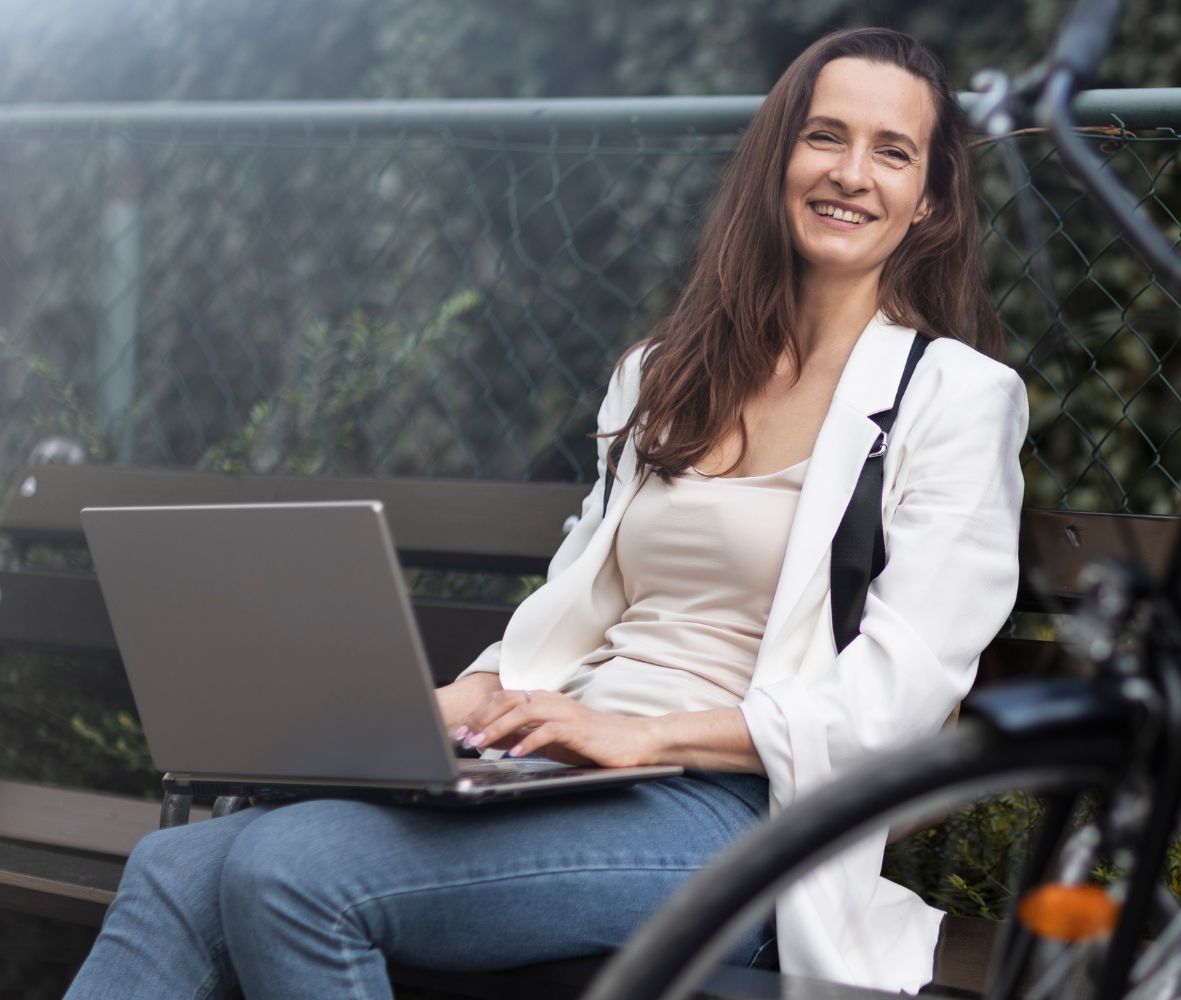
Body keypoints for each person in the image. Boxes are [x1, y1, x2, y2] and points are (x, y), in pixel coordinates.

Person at [65, 25, 1026, 1000]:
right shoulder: (662, 375)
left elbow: (903, 705)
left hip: (746, 817)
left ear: (931, 199)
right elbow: (577, 608)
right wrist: (445, 708)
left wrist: (652, 738)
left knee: (291, 873)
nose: (852, 172)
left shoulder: (955, 397)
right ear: (778, 156)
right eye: (825, 136)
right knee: (175, 870)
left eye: (892, 150)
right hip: (567, 771)